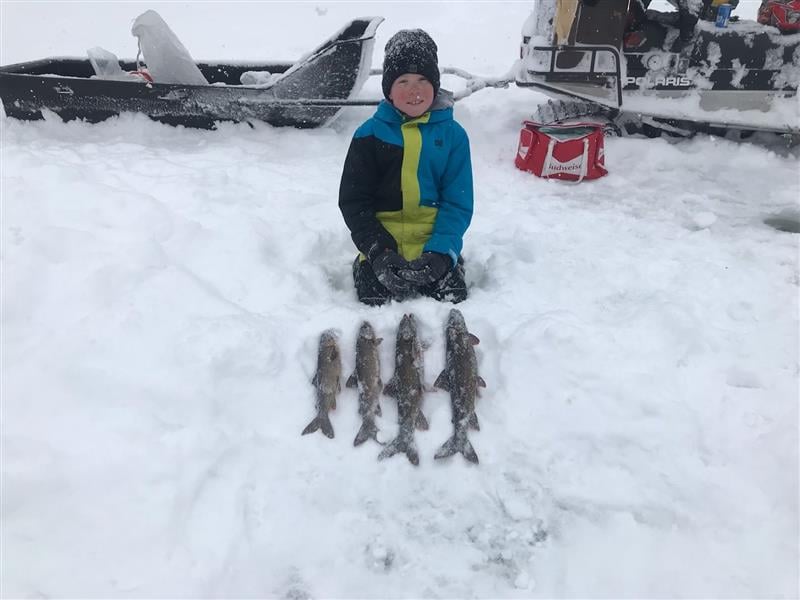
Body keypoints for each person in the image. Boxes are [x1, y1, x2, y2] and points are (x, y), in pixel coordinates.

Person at [338, 29, 473, 306]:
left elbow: (457, 202)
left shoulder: (453, 136)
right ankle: (364, 264)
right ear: (388, 89)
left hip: (432, 239)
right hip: (383, 240)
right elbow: (354, 201)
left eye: (424, 79)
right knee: (373, 297)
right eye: (404, 80)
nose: (415, 90)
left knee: (452, 297)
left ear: (435, 84)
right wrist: (377, 251)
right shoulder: (369, 135)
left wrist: (441, 252)